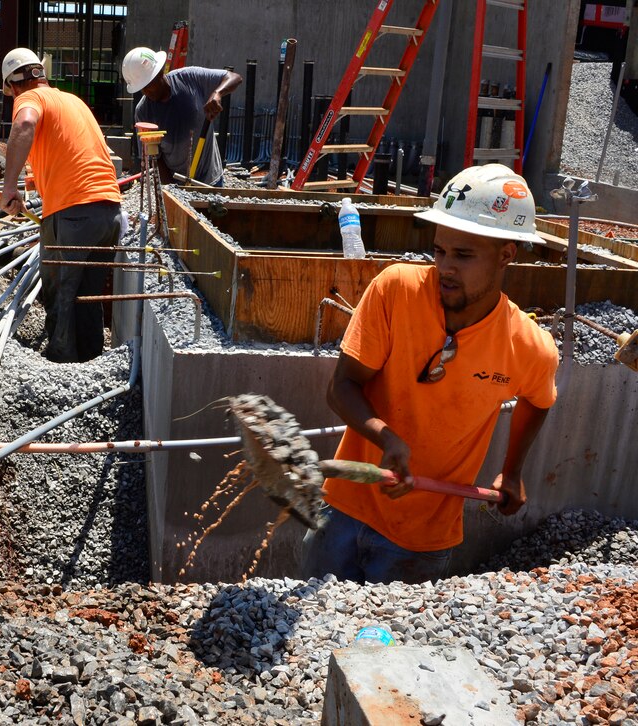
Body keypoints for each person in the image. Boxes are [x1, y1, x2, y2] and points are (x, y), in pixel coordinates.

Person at [300, 164, 559, 585]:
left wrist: (512, 472)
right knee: (313, 638)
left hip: (422, 538)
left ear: (507, 254)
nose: (445, 267)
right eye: (439, 251)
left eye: (463, 255)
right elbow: (342, 386)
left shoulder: (528, 346)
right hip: (343, 511)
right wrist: (386, 437)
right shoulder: (396, 291)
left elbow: (539, 399)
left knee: (389, 646)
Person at [0, 47, 125, 363]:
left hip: (73, 211)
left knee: (61, 292)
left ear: (13, 84)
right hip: (108, 211)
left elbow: (24, 124)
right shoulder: (72, 101)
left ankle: (60, 364)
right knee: (89, 294)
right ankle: (92, 361)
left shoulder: (29, 99)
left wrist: (8, 186)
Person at [122, 47, 242, 186]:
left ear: (160, 73)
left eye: (149, 85)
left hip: (210, 180)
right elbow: (155, 158)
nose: (146, 92)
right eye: (142, 88)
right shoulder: (143, 112)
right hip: (176, 183)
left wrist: (218, 93)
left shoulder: (189, 78)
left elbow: (234, 78)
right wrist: (173, 191)